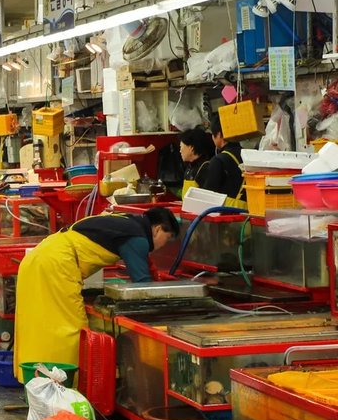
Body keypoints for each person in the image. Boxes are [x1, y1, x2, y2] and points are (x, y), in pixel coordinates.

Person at [13, 208, 180, 380]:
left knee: (37, 322)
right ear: (158, 229)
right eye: (167, 238)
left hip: (39, 257)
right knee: (72, 329)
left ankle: (34, 380)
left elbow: (146, 266)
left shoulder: (126, 221)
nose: (164, 245)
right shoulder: (137, 237)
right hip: (57, 266)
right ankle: (66, 384)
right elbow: (143, 284)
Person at [205, 119, 246, 208]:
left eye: (213, 135)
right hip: (249, 212)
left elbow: (208, 194)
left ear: (219, 134)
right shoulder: (249, 155)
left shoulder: (218, 160)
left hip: (226, 212)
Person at [178, 128, 216, 198]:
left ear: (191, 147)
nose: (180, 151)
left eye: (181, 147)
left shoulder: (205, 167)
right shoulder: (189, 167)